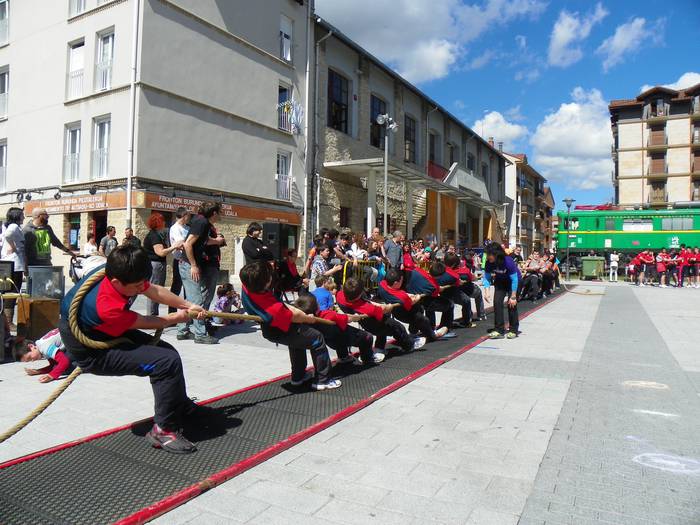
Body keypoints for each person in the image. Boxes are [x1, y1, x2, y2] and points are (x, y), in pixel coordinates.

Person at [58, 245, 208, 454]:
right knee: (165, 362)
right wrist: (182, 317)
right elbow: (150, 321)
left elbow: (153, 290)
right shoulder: (106, 306)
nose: (141, 289)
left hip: (104, 331)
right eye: (137, 286)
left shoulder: (119, 272)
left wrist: (186, 304)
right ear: (117, 283)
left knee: (169, 353)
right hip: (91, 349)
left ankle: (179, 405)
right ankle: (163, 431)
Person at [240, 260, 341, 390]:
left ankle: (298, 377)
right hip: (278, 328)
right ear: (264, 283)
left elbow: (284, 306)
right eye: (268, 275)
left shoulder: (247, 283)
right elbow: (295, 317)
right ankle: (323, 380)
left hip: (274, 326)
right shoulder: (272, 309)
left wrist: (296, 311)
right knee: (316, 338)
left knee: (297, 342)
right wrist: (308, 319)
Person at [177, 202, 225, 344]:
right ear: (214, 213)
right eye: (220, 212)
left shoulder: (202, 222)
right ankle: (200, 335)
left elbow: (203, 240)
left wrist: (217, 241)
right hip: (188, 265)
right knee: (197, 300)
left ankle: (182, 331)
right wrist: (193, 265)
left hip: (188, 264)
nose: (221, 215)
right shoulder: (202, 222)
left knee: (190, 300)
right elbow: (188, 244)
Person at [337, 277, 424, 354]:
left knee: (385, 320)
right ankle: (408, 345)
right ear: (359, 295)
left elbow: (366, 301)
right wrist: (388, 307)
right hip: (371, 324)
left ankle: (379, 347)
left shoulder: (340, 295)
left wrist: (378, 306)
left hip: (366, 318)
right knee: (397, 327)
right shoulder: (368, 308)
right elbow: (384, 310)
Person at [294, 294, 384, 366]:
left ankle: (344, 357)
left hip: (332, 342)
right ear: (316, 308)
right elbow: (348, 318)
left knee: (338, 333)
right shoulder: (327, 314)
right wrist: (357, 317)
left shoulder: (306, 322)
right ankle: (367, 358)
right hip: (345, 338)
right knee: (367, 337)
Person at [378, 268, 448, 342]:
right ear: (395, 283)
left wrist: (408, 295)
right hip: (404, 314)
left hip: (396, 309)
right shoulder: (402, 297)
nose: (402, 282)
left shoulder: (382, 285)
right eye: (401, 281)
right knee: (422, 318)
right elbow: (413, 301)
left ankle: (413, 332)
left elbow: (400, 294)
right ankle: (432, 335)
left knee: (420, 309)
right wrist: (417, 296)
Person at [143, 213, 183, 316]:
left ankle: (153, 314)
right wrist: (173, 246)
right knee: (155, 290)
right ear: (158, 223)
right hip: (156, 265)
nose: (165, 222)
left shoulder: (155, 234)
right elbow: (160, 252)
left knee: (155, 289)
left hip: (156, 264)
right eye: (162, 220)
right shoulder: (154, 236)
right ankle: (152, 315)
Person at [482, 243, 520, 340]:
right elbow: (486, 278)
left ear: (496, 254)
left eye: (488, 254)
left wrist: (513, 296)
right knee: (497, 302)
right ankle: (499, 330)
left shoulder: (508, 261)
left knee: (511, 304)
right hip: (500, 281)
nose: (487, 257)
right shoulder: (489, 262)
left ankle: (513, 330)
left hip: (513, 281)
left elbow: (515, 279)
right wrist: (486, 292)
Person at [2, 207, 26, 329]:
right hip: (14, 265)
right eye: (22, 215)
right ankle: (9, 323)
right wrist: (12, 246)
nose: (24, 217)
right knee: (12, 293)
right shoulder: (14, 227)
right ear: (17, 216)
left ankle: (7, 322)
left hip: (12, 264)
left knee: (9, 294)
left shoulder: (14, 227)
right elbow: (8, 235)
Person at [168, 207, 191, 313]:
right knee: (177, 286)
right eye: (188, 215)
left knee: (189, 287)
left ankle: (188, 311)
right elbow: (180, 243)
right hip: (180, 260)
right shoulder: (175, 228)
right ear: (184, 216)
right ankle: (172, 311)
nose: (189, 217)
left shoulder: (187, 227)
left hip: (189, 259)